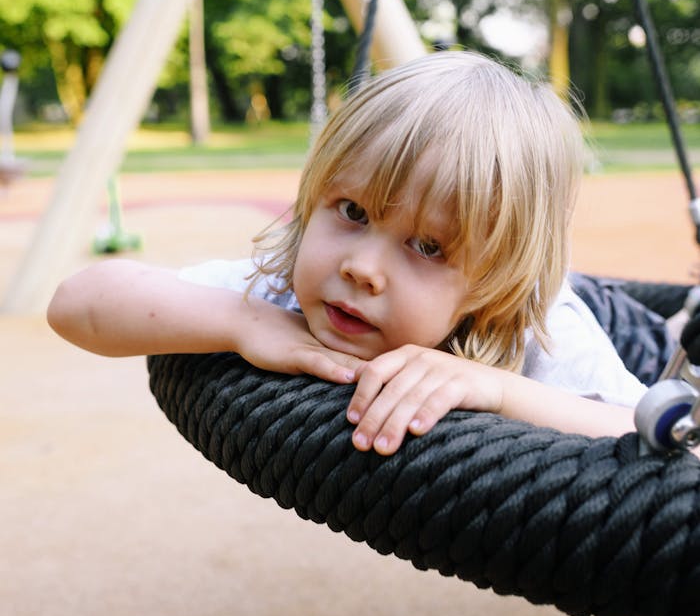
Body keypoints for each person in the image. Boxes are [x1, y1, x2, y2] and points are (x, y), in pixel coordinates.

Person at [48, 50, 648, 454]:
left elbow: (668, 443)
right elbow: (77, 304)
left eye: (427, 247)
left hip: (583, 312)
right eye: (353, 212)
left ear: (495, 286)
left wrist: (496, 390)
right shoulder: (283, 291)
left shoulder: (534, 329)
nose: (360, 266)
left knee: (644, 330)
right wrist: (242, 320)